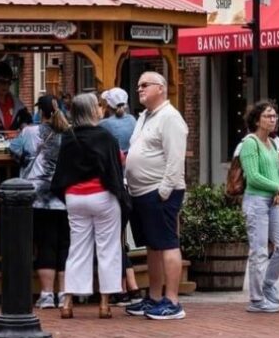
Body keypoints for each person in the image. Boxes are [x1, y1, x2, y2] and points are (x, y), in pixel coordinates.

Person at [51, 93, 129, 320]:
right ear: (92, 111)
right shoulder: (105, 137)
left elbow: (61, 172)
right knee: (107, 248)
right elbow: (115, 167)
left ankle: (68, 302)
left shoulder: (68, 137)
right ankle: (104, 303)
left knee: (77, 248)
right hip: (102, 196)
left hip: (75, 197)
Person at [124, 72, 188, 321]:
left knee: (167, 243)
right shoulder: (144, 117)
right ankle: (154, 296)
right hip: (141, 191)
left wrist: (164, 190)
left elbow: (175, 158)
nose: (139, 89)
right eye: (138, 85)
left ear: (160, 88)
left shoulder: (170, 118)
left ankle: (172, 301)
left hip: (160, 192)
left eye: (145, 85)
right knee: (152, 245)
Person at [238, 101, 279, 313]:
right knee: (259, 251)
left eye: (274, 116)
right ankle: (257, 299)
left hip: (271, 202)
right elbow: (253, 177)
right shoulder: (250, 143)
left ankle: (267, 284)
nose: (273, 119)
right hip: (256, 202)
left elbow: (277, 172)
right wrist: (278, 187)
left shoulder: (272, 143)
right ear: (256, 119)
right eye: (268, 116)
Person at [21, 95, 70, 309]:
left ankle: (47, 294)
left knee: (44, 244)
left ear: (41, 112)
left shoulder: (30, 132)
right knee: (64, 246)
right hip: (64, 196)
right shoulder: (69, 135)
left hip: (38, 196)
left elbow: (14, 151)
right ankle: (65, 295)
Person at [98, 87, 142, 306]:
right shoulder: (134, 121)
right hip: (131, 185)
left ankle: (123, 287)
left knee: (112, 240)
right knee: (119, 238)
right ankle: (130, 285)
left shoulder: (104, 126)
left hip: (112, 186)